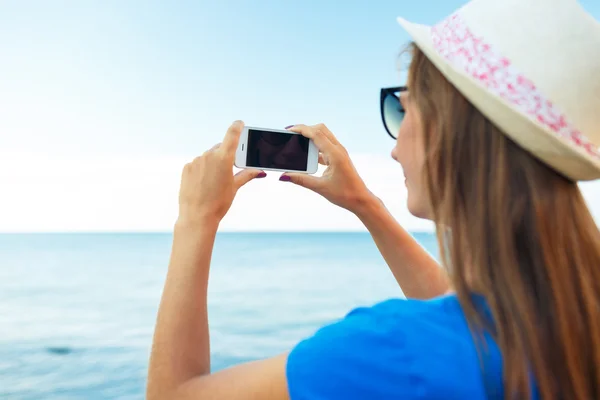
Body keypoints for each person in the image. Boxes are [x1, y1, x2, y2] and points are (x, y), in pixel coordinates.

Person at [146, 0, 600, 398]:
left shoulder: (397, 350)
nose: (394, 145)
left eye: (402, 107)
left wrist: (195, 218)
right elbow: (466, 314)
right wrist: (362, 203)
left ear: (450, 128)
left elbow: (173, 396)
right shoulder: (573, 308)